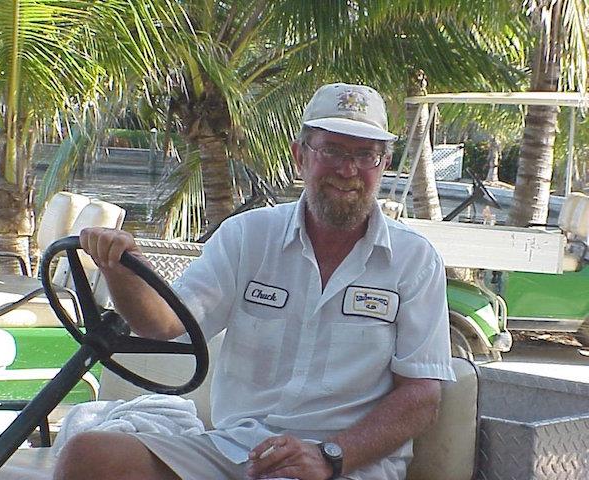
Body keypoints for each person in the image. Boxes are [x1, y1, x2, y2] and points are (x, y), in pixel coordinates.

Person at [54, 82, 455, 480]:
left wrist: (330, 456)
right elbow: (163, 325)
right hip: (237, 449)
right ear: (300, 156)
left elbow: (422, 396)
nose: (347, 170)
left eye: (365, 155)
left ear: (383, 164)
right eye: (331, 150)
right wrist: (120, 268)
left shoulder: (414, 260)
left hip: (344, 465)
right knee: (89, 456)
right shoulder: (246, 236)